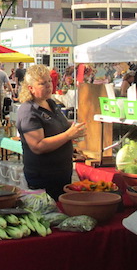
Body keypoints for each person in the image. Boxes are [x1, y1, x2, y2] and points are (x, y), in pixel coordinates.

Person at [16, 64, 86, 200]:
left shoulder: (51, 103)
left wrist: (77, 127)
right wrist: (68, 135)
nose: (49, 85)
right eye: (42, 83)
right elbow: (38, 146)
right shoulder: (29, 111)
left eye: (49, 81)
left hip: (62, 173)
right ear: (30, 88)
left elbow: (63, 124)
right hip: (43, 177)